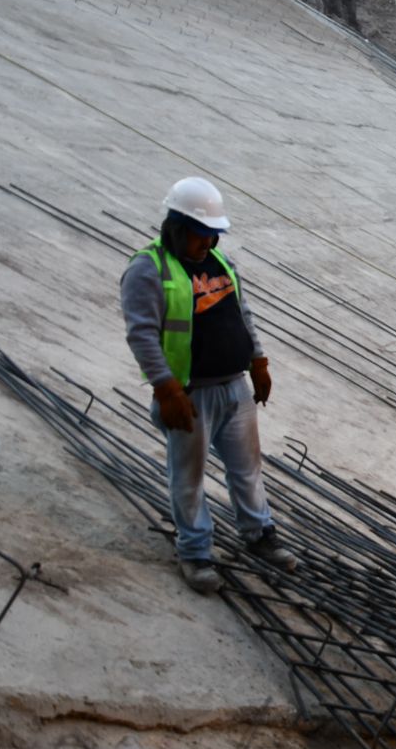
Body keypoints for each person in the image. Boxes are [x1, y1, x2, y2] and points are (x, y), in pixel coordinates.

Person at [120, 179, 297, 595]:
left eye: (214, 233)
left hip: (234, 387)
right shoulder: (148, 269)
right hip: (190, 395)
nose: (210, 241)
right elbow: (141, 335)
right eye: (203, 233)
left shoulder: (219, 262)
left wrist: (258, 362)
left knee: (248, 468)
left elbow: (243, 313)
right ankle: (195, 552)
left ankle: (259, 534)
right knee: (189, 476)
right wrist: (166, 389)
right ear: (178, 227)